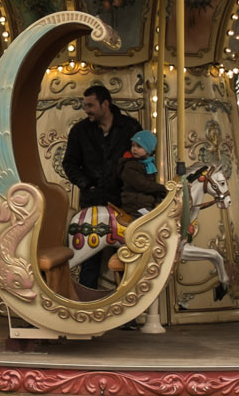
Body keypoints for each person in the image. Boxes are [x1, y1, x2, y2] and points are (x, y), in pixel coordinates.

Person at [60, 85, 142, 288]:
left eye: (90, 105)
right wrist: (87, 184)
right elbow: (69, 163)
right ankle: (86, 305)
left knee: (125, 257)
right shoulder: (79, 131)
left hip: (123, 201)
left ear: (105, 104)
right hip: (93, 201)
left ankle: (125, 310)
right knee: (89, 257)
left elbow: (142, 158)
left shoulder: (130, 127)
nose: (86, 109)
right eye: (85, 105)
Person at [118, 130, 166, 217]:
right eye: (133, 145)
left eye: (139, 146)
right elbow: (142, 184)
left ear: (148, 149)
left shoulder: (149, 165)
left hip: (145, 203)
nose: (134, 149)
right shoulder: (130, 165)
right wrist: (162, 189)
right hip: (135, 205)